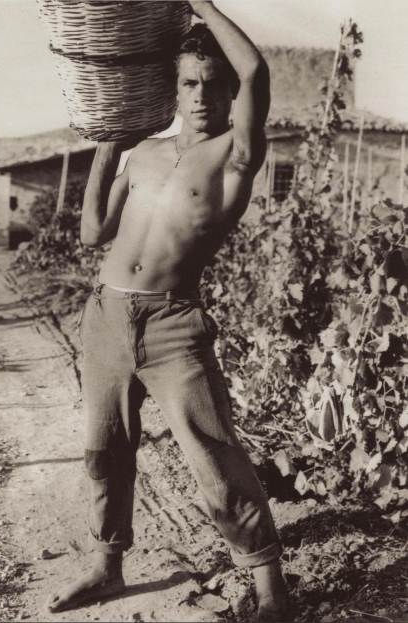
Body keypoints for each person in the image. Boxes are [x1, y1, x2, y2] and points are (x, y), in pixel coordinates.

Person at [47, 2, 291, 621]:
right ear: (173, 88)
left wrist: (200, 1)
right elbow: (92, 232)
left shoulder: (235, 158)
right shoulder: (145, 156)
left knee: (213, 452)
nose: (201, 94)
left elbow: (257, 69)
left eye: (214, 84)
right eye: (189, 81)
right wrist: (108, 149)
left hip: (174, 325)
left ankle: (269, 591)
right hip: (105, 315)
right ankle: (107, 566)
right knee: (104, 448)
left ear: (231, 94)